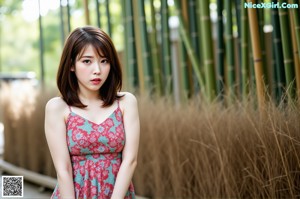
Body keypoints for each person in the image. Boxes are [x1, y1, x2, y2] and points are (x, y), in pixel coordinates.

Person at [44, 26, 140, 199]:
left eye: (104, 61)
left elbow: (130, 160)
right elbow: (63, 169)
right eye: (87, 61)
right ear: (71, 64)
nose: (97, 70)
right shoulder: (58, 108)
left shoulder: (126, 103)